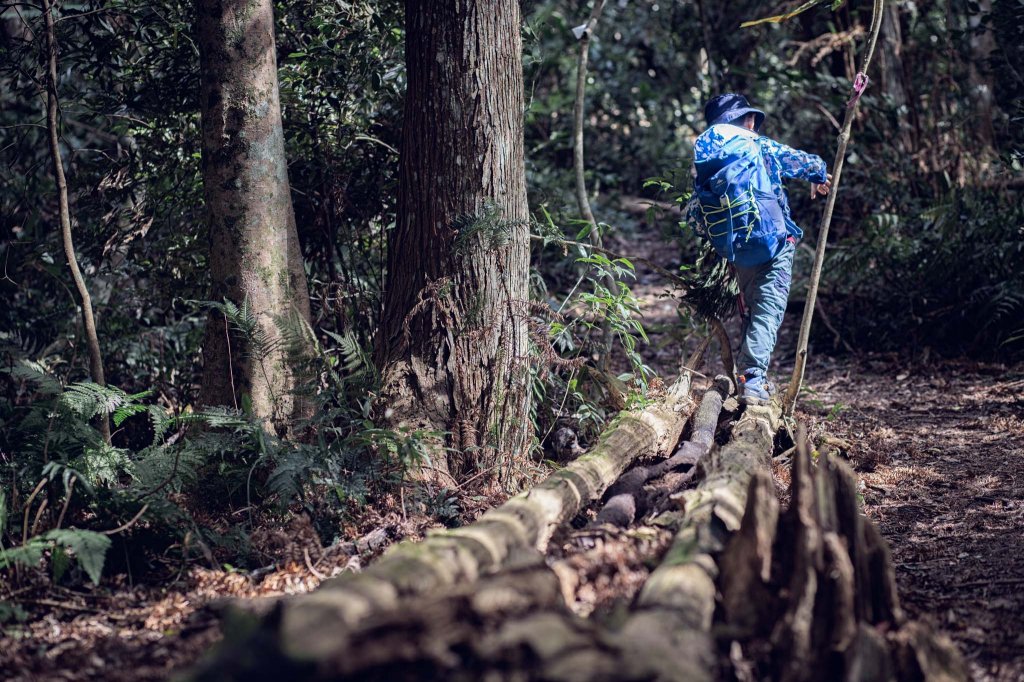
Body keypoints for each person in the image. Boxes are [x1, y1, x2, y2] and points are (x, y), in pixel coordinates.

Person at [685, 93, 832, 405]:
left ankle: (746, 376)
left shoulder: (706, 156)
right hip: (774, 244)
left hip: (738, 250)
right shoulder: (758, 145)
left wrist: (725, 238)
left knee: (753, 308)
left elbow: (694, 215)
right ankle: (752, 381)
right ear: (747, 120)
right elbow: (804, 163)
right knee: (767, 310)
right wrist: (819, 174)